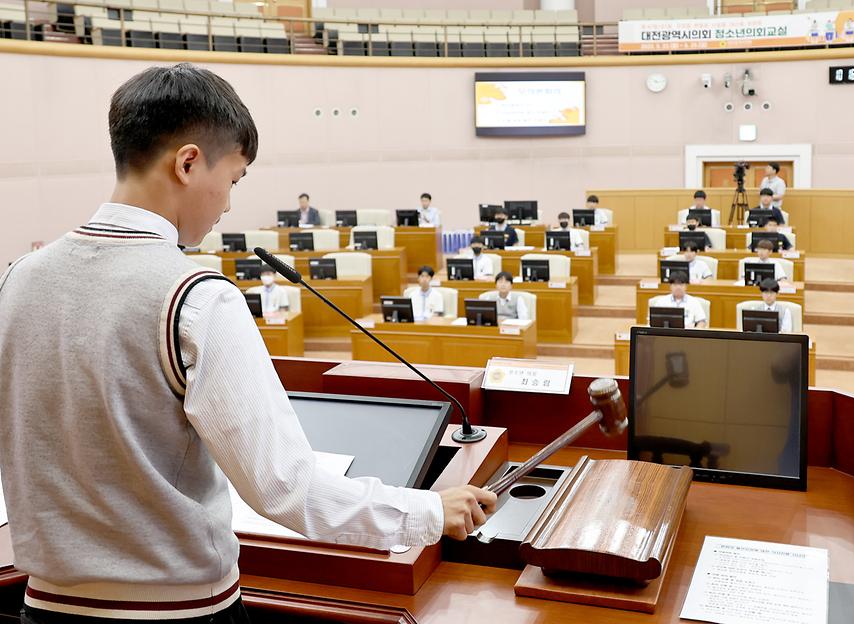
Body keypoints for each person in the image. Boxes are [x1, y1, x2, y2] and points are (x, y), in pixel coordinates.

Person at [0, 63, 494, 624]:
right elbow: (288, 488)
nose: (229, 205)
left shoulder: (18, 278)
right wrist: (429, 510)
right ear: (188, 162)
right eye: (233, 180)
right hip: (178, 614)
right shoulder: (196, 297)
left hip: (42, 606)